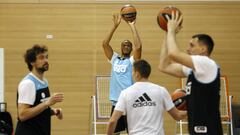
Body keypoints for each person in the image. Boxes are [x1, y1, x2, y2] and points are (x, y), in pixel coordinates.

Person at [158, 11, 223, 134]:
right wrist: (167, 34)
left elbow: (173, 54)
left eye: (192, 45)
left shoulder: (206, 64)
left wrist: (171, 30)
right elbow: (164, 66)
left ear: (203, 49)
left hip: (209, 131)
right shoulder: (194, 70)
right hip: (197, 129)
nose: (188, 49)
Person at [107, 59, 187, 135]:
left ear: (137, 73)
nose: (132, 74)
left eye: (132, 71)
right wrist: (194, 111)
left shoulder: (125, 93)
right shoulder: (161, 90)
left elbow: (113, 121)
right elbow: (178, 115)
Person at [102, 13, 142, 134]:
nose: (126, 46)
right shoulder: (114, 59)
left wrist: (132, 26)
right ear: (120, 47)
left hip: (130, 101)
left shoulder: (132, 61)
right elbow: (104, 44)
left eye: (128, 45)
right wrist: (114, 26)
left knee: (133, 132)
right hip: (117, 102)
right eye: (124, 44)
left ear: (131, 48)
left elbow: (139, 46)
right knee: (114, 132)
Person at [15, 45, 64, 135]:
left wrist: (54, 111)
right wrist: (46, 103)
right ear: (32, 62)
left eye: (46, 57)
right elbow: (22, 115)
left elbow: (38, 107)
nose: (46, 60)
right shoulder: (28, 83)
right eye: (41, 58)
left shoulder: (44, 81)